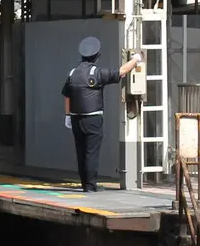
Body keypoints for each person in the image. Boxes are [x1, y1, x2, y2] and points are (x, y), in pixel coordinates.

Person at [61, 37, 143, 193]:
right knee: (91, 152)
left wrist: (67, 115)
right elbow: (121, 71)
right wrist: (136, 59)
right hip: (93, 119)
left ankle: (85, 184)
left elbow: (67, 96)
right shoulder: (96, 73)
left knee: (80, 152)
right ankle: (91, 186)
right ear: (97, 57)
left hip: (75, 118)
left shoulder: (72, 73)